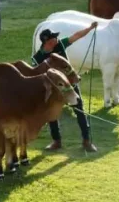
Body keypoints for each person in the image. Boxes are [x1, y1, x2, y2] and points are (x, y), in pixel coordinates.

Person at [33, 24, 99, 152]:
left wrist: (90, 28)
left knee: (80, 111)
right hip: (54, 89)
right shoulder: (38, 58)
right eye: (53, 38)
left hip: (70, 84)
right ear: (47, 41)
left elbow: (76, 36)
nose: (56, 39)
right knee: (52, 114)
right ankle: (56, 141)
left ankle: (87, 141)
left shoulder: (60, 45)